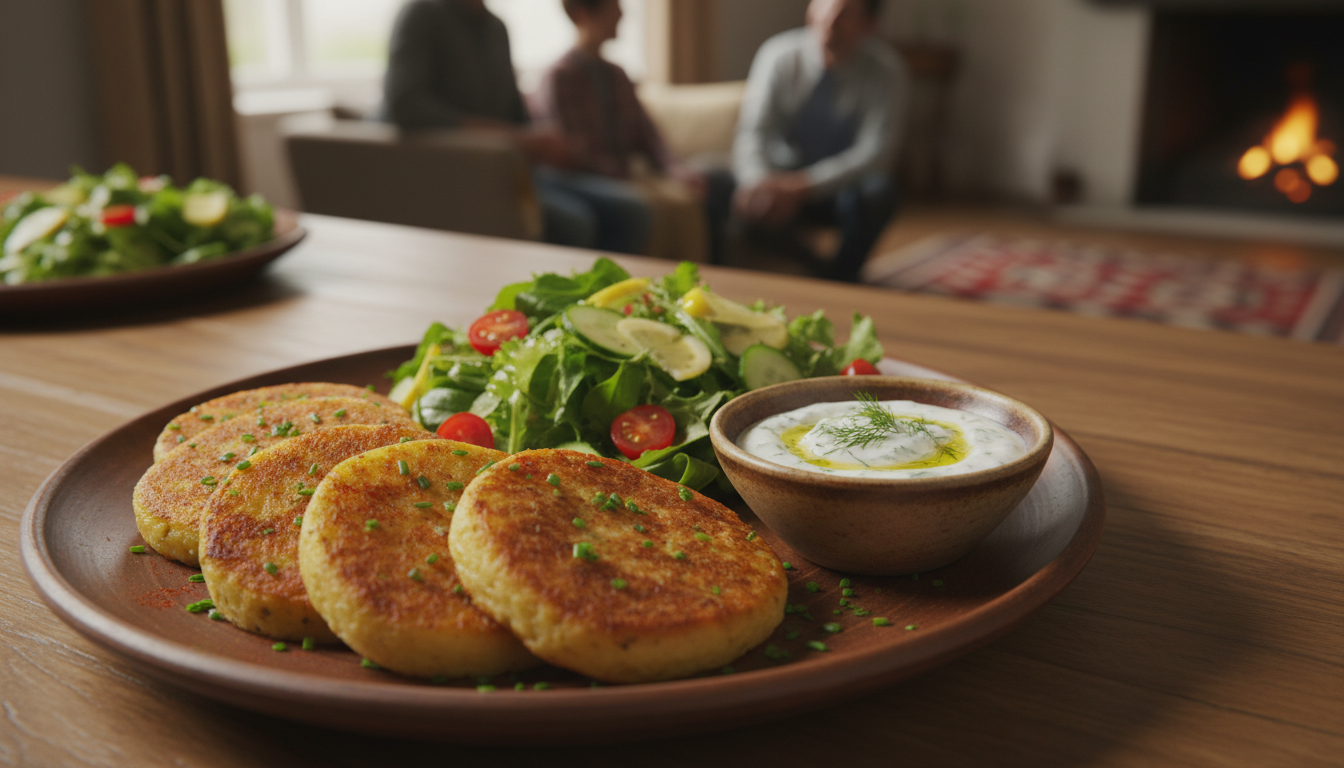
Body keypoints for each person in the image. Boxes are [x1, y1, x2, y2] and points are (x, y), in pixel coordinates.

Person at [379, 0, 650, 254]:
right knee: (575, 222)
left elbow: (515, 115)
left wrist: (543, 141)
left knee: (630, 213)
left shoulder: (496, 27)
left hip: (513, 172)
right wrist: (513, 138)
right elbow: (406, 104)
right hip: (458, 177)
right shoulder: (421, 15)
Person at [709, 0, 908, 281]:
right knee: (713, 184)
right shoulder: (779, 55)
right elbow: (755, 131)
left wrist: (804, 186)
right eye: (824, 5)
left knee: (878, 194)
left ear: (869, 26)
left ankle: (844, 276)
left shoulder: (886, 70)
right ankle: (817, 268)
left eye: (845, 13)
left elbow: (875, 154)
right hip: (777, 181)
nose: (830, 19)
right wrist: (757, 182)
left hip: (835, 190)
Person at [529, 0, 704, 259]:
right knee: (641, 208)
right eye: (614, 7)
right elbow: (570, 151)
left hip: (622, 176)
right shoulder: (560, 77)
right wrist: (623, 176)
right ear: (583, 15)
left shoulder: (618, 75)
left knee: (686, 203)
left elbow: (649, 136)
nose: (622, 13)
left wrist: (675, 169)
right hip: (581, 179)